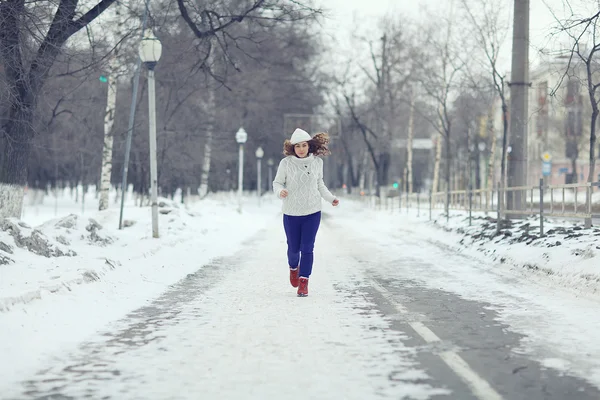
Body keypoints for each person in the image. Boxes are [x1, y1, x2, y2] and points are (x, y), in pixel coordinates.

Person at [272, 128, 339, 297]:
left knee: (307, 247)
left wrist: (331, 199)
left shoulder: (317, 163)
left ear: (309, 146)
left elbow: (320, 185)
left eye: (304, 145)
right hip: (291, 213)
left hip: (312, 212)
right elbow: (277, 183)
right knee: (294, 249)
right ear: (292, 148)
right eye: (297, 146)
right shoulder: (286, 163)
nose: (301, 149)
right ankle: (293, 268)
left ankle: (304, 281)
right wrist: (280, 192)